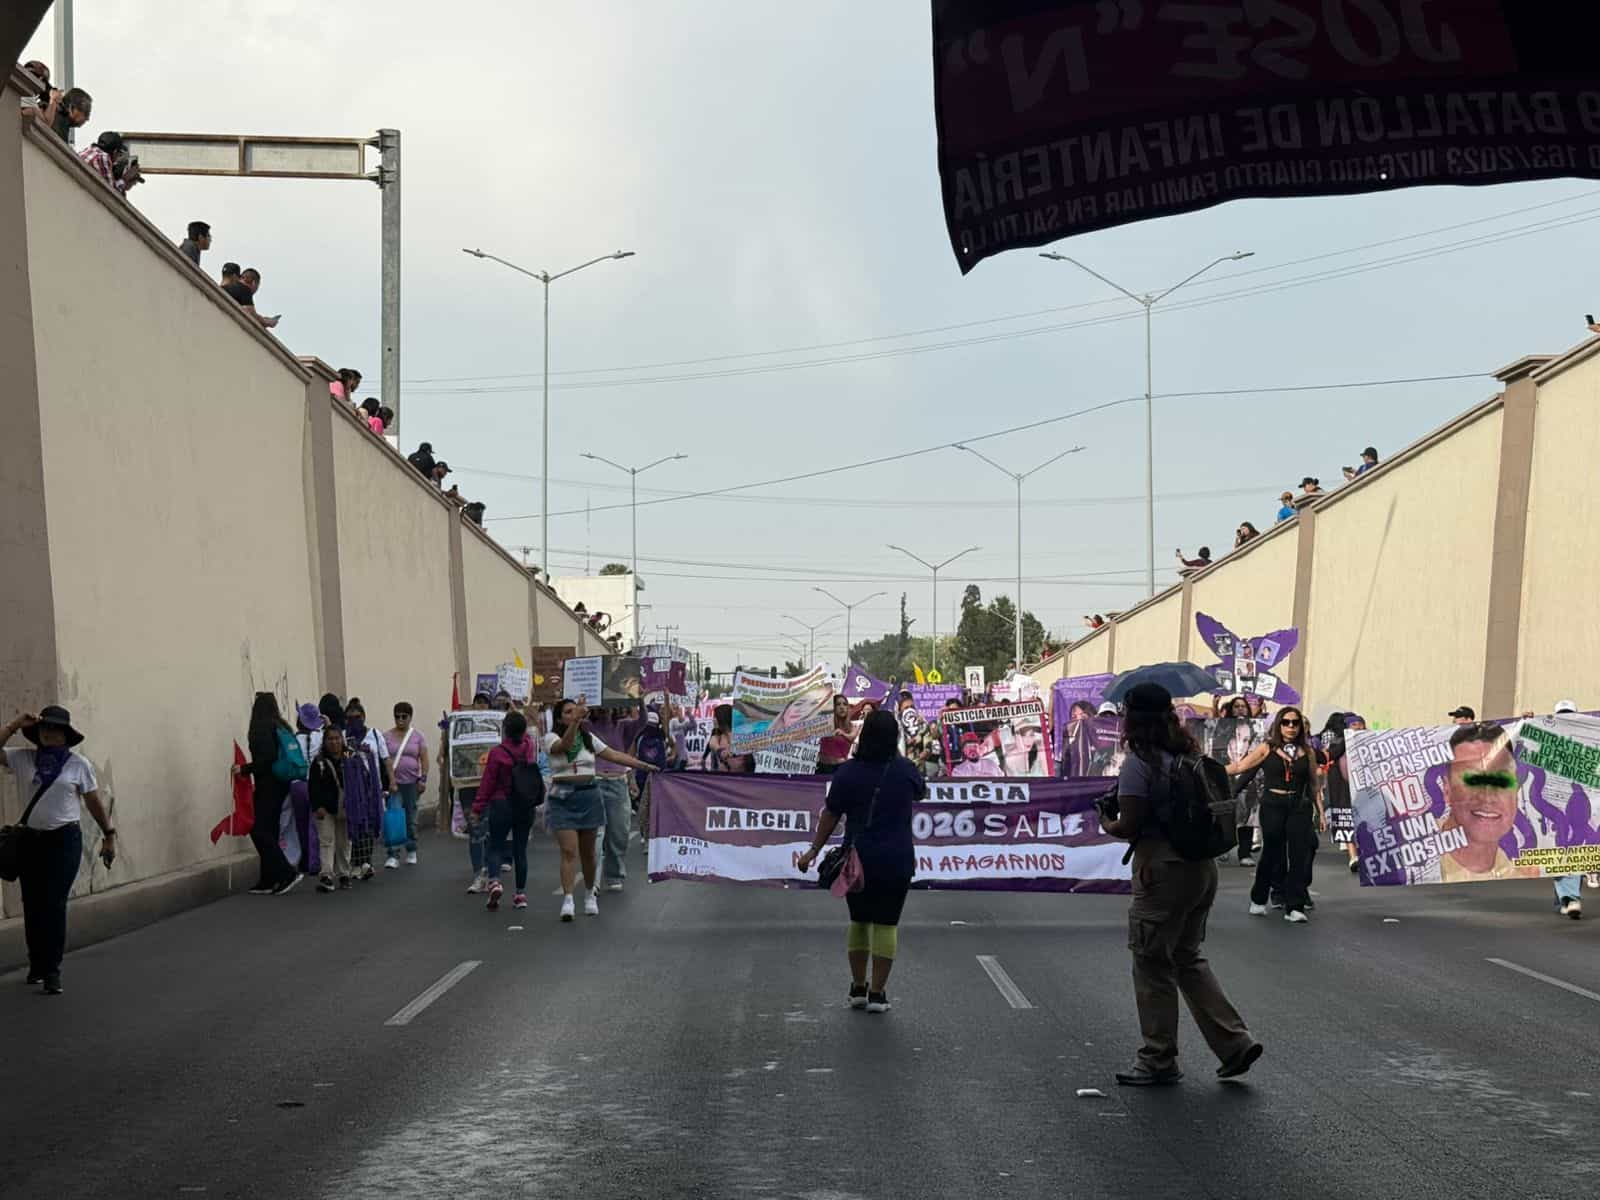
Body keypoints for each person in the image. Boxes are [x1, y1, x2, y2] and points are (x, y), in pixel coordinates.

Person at [1097, 683, 1261, 1086]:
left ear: (1132, 718)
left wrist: (1106, 821)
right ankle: (1234, 1043)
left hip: (1162, 870)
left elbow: (1130, 823)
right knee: (1187, 957)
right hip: (1201, 869)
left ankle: (1158, 1059)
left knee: (1152, 964)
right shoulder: (1190, 755)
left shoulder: (1140, 763)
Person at [796, 709, 920, 1015]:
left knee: (860, 920)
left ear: (863, 737)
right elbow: (920, 791)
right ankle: (878, 994)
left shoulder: (848, 773)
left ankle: (858, 988)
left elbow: (831, 814)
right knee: (886, 923)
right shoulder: (906, 771)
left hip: (858, 860)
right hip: (897, 858)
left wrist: (813, 851)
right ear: (894, 738)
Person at [0, 707, 116, 995]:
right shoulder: (23, 758)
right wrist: (15, 724)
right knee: (33, 905)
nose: (49, 732)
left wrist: (109, 835)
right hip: (29, 842)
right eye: (44, 728)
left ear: (66, 734)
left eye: (55, 728)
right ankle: (36, 963)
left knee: (53, 904)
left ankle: (52, 969)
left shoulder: (79, 765)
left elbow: (93, 803)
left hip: (64, 842)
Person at [544, 698, 659, 920]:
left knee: (588, 853)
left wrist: (645, 766)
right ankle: (568, 900)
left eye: (574, 711)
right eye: (568, 712)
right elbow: (564, 746)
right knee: (569, 851)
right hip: (563, 799)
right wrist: (578, 720)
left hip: (588, 795)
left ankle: (589, 894)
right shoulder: (551, 738)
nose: (572, 714)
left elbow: (615, 755)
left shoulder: (588, 738)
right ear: (559, 718)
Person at [1226, 707, 1323, 921]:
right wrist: (1212, 768)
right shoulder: (1267, 748)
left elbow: (1314, 784)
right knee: (1272, 852)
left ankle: (1294, 906)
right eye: (1286, 722)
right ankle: (1259, 899)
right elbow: (1241, 766)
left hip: (1299, 806)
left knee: (1299, 855)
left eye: (1295, 723)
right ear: (1279, 725)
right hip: (1273, 805)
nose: (1291, 727)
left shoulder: (1307, 752)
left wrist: (1321, 813)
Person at [473, 711, 543, 912]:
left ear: (504, 730)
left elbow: (487, 783)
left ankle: (494, 882)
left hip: (501, 804)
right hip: (525, 805)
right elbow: (529, 733)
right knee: (520, 850)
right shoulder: (529, 747)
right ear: (523, 731)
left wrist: (477, 808)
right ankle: (520, 894)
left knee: (495, 845)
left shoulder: (497, 753)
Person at [238, 692, 302, 896]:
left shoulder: (261, 728)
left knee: (259, 830)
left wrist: (244, 769)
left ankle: (285, 873)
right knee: (270, 830)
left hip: (268, 785)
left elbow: (266, 759)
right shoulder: (281, 726)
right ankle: (268, 878)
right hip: (282, 784)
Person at [343, 698, 390, 881]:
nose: (354, 721)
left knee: (369, 824)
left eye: (357, 717)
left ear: (363, 716)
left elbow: (385, 759)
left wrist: (391, 781)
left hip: (372, 786)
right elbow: (343, 757)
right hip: (353, 787)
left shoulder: (374, 734)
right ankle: (355, 863)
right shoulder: (344, 736)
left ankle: (365, 862)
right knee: (356, 823)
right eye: (349, 718)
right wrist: (353, 750)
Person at [383, 701, 428, 869]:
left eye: (404, 716)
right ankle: (393, 854)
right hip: (394, 783)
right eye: (397, 716)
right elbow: (383, 757)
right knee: (394, 818)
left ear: (410, 717)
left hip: (411, 783)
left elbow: (424, 758)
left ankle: (411, 849)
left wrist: (423, 779)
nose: (400, 719)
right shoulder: (386, 736)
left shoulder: (417, 737)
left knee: (410, 818)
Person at [308, 726, 353, 892]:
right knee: (326, 840)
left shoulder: (350, 758)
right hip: (325, 808)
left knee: (344, 841)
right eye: (330, 739)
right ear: (325, 742)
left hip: (347, 806)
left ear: (342, 740)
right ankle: (326, 874)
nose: (334, 742)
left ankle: (344, 874)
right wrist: (317, 806)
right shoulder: (319, 762)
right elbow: (313, 786)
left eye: (337, 738)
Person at [1318, 713, 1358, 873]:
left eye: (1360, 724)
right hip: (1344, 789)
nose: (1358, 727)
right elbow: (1329, 756)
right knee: (1347, 820)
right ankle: (1353, 856)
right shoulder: (1339, 742)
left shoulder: (1370, 743)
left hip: (1365, 790)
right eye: (1354, 725)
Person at [817, 696, 857, 774]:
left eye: (845, 704)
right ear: (833, 707)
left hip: (840, 768)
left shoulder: (851, 726)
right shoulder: (825, 724)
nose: (842, 707)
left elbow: (852, 737)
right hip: (823, 768)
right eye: (838, 704)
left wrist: (843, 734)